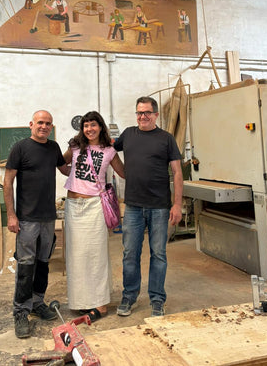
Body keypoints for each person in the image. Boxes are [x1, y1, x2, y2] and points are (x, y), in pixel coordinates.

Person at [114, 96, 183, 318]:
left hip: (159, 207)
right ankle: (129, 296)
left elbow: (177, 172)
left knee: (158, 254)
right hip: (133, 206)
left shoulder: (166, 139)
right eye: (139, 112)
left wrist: (177, 204)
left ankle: (157, 298)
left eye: (147, 112)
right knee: (130, 254)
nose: (142, 116)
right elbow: (107, 150)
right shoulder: (128, 134)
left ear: (155, 115)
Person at [3, 110, 70, 339]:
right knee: (25, 265)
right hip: (27, 218)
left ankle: (37, 303)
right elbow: (7, 182)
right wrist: (11, 215)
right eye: (40, 122)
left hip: (48, 217)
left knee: (43, 262)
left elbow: (65, 169)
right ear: (31, 124)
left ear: (51, 126)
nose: (44, 126)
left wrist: (84, 158)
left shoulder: (53, 147)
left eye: (48, 123)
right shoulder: (20, 148)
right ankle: (21, 312)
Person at [63, 111, 124, 321]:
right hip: (73, 206)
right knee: (76, 256)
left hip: (95, 206)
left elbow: (123, 172)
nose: (89, 129)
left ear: (100, 127)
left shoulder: (109, 150)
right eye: (86, 125)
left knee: (97, 256)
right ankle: (81, 302)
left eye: (93, 125)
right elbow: (61, 164)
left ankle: (100, 304)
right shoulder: (75, 146)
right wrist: (72, 173)